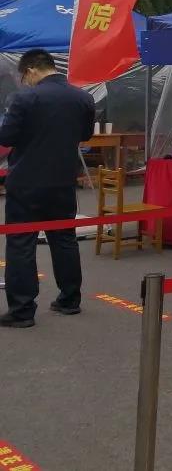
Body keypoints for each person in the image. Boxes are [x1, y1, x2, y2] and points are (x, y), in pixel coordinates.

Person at [0, 49, 95, 327]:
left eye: (24, 76)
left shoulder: (23, 99)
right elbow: (86, 134)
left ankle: (22, 310)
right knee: (64, 239)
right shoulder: (83, 98)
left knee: (21, 244)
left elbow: (6, 137)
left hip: (26, 183)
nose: (24, 81)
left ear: (31, 70)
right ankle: (69, 299)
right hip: (63, 181)